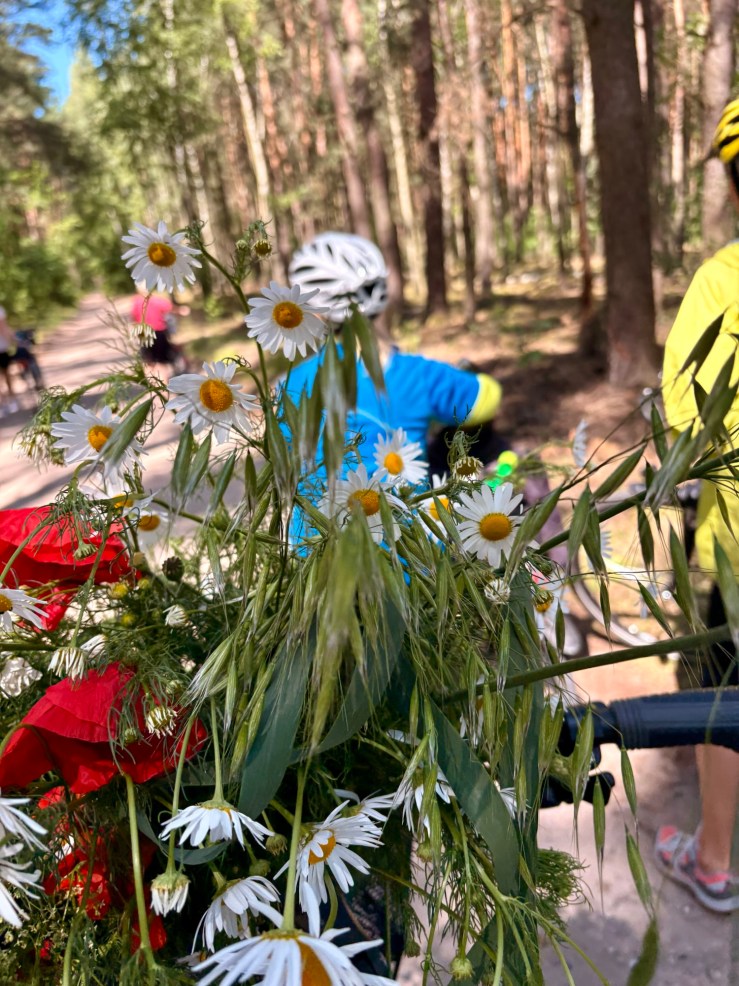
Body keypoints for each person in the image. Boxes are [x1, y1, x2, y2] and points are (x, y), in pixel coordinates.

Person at [656, 97, 739, 913]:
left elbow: (680, 418)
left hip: (734, 549)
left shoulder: (720, 279)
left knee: (723, 702)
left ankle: (713, 863)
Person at [283, 231, 503, 535]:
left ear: (313, 311)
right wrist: (475, 376)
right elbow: (486, 399)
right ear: (383, 294)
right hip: (407, 556)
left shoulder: (291, 384)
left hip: (312, 557)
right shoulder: (418, 375)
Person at [130, 290, 190, 379]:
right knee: (161, 361)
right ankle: (164, 385)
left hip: (143, 332)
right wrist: (181, 310)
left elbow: (133, 318)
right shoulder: (156, 300)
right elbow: (170, 308)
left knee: (148, 360)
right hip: (157, 332)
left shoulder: (136, 302)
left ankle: (153, 384)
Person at [0, 307, 18, 414]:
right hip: (2, 348)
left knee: (4, 375)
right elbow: (3, 328)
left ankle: (3, 402)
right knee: (6, 374)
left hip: (2, 348)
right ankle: (12, 399)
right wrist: (12, 341)